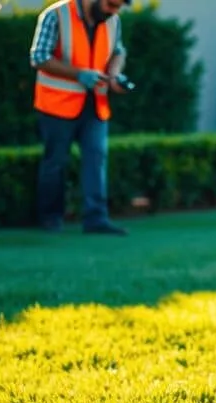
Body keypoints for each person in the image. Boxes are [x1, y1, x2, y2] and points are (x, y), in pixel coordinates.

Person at [28, 0, 132, 235]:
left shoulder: (113, 20)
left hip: (95, 104)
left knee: (96, 159)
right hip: (56, 105)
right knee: (55, 163)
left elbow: (118, 52)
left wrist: (114, 76)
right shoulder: (55, 15)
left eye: (117, 8)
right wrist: (79, 74)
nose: (113, 11)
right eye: (111, 5)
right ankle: (50, 219)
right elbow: (39, 57)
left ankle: (96, 219)